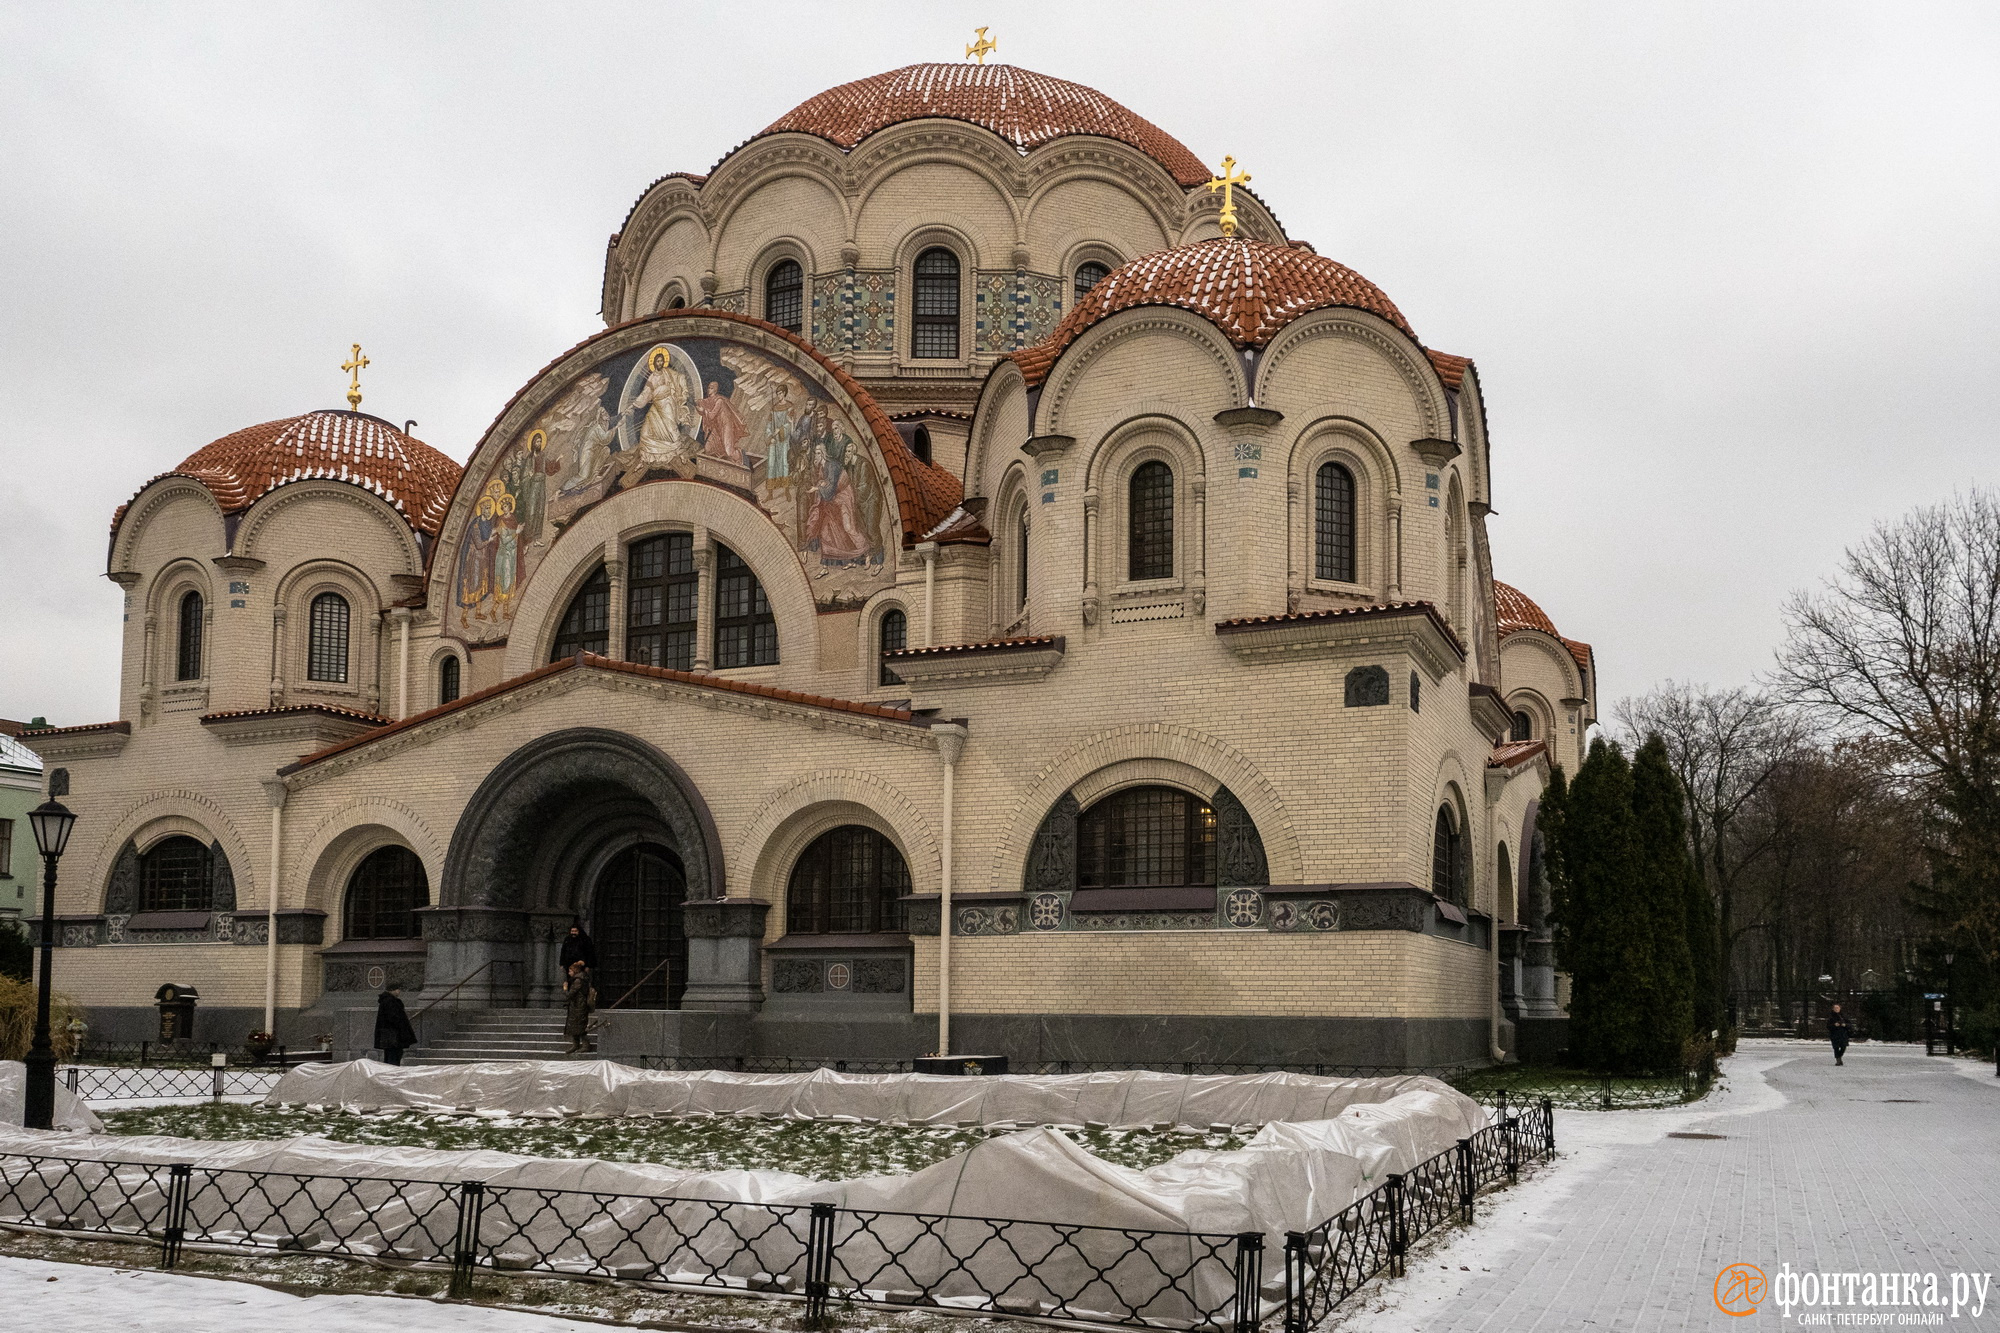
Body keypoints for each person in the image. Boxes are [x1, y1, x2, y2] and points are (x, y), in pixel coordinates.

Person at [374, 983, 417, 1066]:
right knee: (394, 1057)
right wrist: (403, 1028)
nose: (399, 991)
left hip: (389, 1035)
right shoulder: (391, 1002)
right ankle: (392, 1074)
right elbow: (394, 1018)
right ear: (392, 990)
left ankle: (389, 1073)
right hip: (394, 1035)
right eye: (397, 989)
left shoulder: (386, 1001)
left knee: (390, 1056)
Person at [564, 959, 596, 1055]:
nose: (569, 973)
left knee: (579, 1027)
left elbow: (570, 994)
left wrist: (565, 989)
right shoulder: (582, 979)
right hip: (577, 1006)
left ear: (575, 971)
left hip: (579, 1006)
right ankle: (576, 1044)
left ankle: (585, 1045)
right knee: (574, 1026)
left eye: (570, 971)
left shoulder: (578, 980)